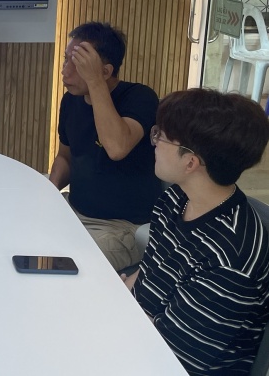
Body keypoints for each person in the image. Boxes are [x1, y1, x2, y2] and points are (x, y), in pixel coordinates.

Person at [123, 89, 269, 375]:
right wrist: (120, 295)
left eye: (161, 136)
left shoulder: (231, 259)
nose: (154, 143)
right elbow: (148, 272)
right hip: (138, 334)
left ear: (190, 162)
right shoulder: (174, 199)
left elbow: (174, 356)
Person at [50, 21, 161, 270]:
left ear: (106, 71)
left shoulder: (140, 97)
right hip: (74, 212)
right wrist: (50, 191)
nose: (65, 72)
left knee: (74, 268)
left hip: (122, 228)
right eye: (66, 60)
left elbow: (117, 147)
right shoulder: (71, 101)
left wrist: (95, 82)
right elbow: (66, 157)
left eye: (77, 64)